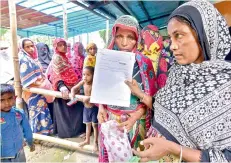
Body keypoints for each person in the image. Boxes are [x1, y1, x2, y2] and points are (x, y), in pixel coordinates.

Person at [126, 0, 231, 162]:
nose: (172, 46)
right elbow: (164, 108)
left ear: (204, 33)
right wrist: (139, 93)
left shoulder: (225, 88)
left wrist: (171, 148)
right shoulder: (177, 72)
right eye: (170, 37)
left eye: (179, 36)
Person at [97, 15, 157, 162]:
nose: (124, 42)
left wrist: (137, 115)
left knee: (135, 157)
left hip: (136, 122)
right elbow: (101, 89)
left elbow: (154, 99)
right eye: (119, 36)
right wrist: (101, 108)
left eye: (130, 37)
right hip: (111, 120)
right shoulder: (105, 59)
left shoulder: (145, 63)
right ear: (113, 36)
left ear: (137, 38)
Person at [47, 38, 85, 138]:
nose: (63, 47)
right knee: (68, 113)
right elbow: (55, 74)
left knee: (76, 109)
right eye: (60, 45)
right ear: (55, 47)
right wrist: (61, 86)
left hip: (72, 88)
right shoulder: (57, 58)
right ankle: (69, 133)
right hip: (64, 90)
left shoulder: (64, 57)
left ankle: (76, 130)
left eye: (64, 45)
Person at [19, 38, 53, 135]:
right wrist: (41, 84)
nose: (31, 48)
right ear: (22, 48)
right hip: (33, 91)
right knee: (35, 113)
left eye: (32, 46)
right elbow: (27, 80)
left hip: (40, 90)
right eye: (27, 46)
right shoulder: (24, 59)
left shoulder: (31, 58)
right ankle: (36, 135)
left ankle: (45, 132)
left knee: (43, 111)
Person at [0, 84, 35, 162]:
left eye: (10, 98)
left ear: (15, 98)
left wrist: (30, 142)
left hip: (19, 151)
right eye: (1, 100)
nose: (7, 103)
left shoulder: (19, 113)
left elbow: (27, 130)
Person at [71, 66, 98, 152]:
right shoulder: (83, 82)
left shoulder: (94, 85)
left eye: (88, 75)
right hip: (86, 108)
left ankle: (96, 143)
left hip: (93, 108)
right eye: (83, 74)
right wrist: (72, 94)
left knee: (95, 125)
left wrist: (89, 97)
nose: (85, 77)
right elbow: (74, 88)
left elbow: (96, 95)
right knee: (87, 124)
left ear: (93, 76)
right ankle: (87, 140)